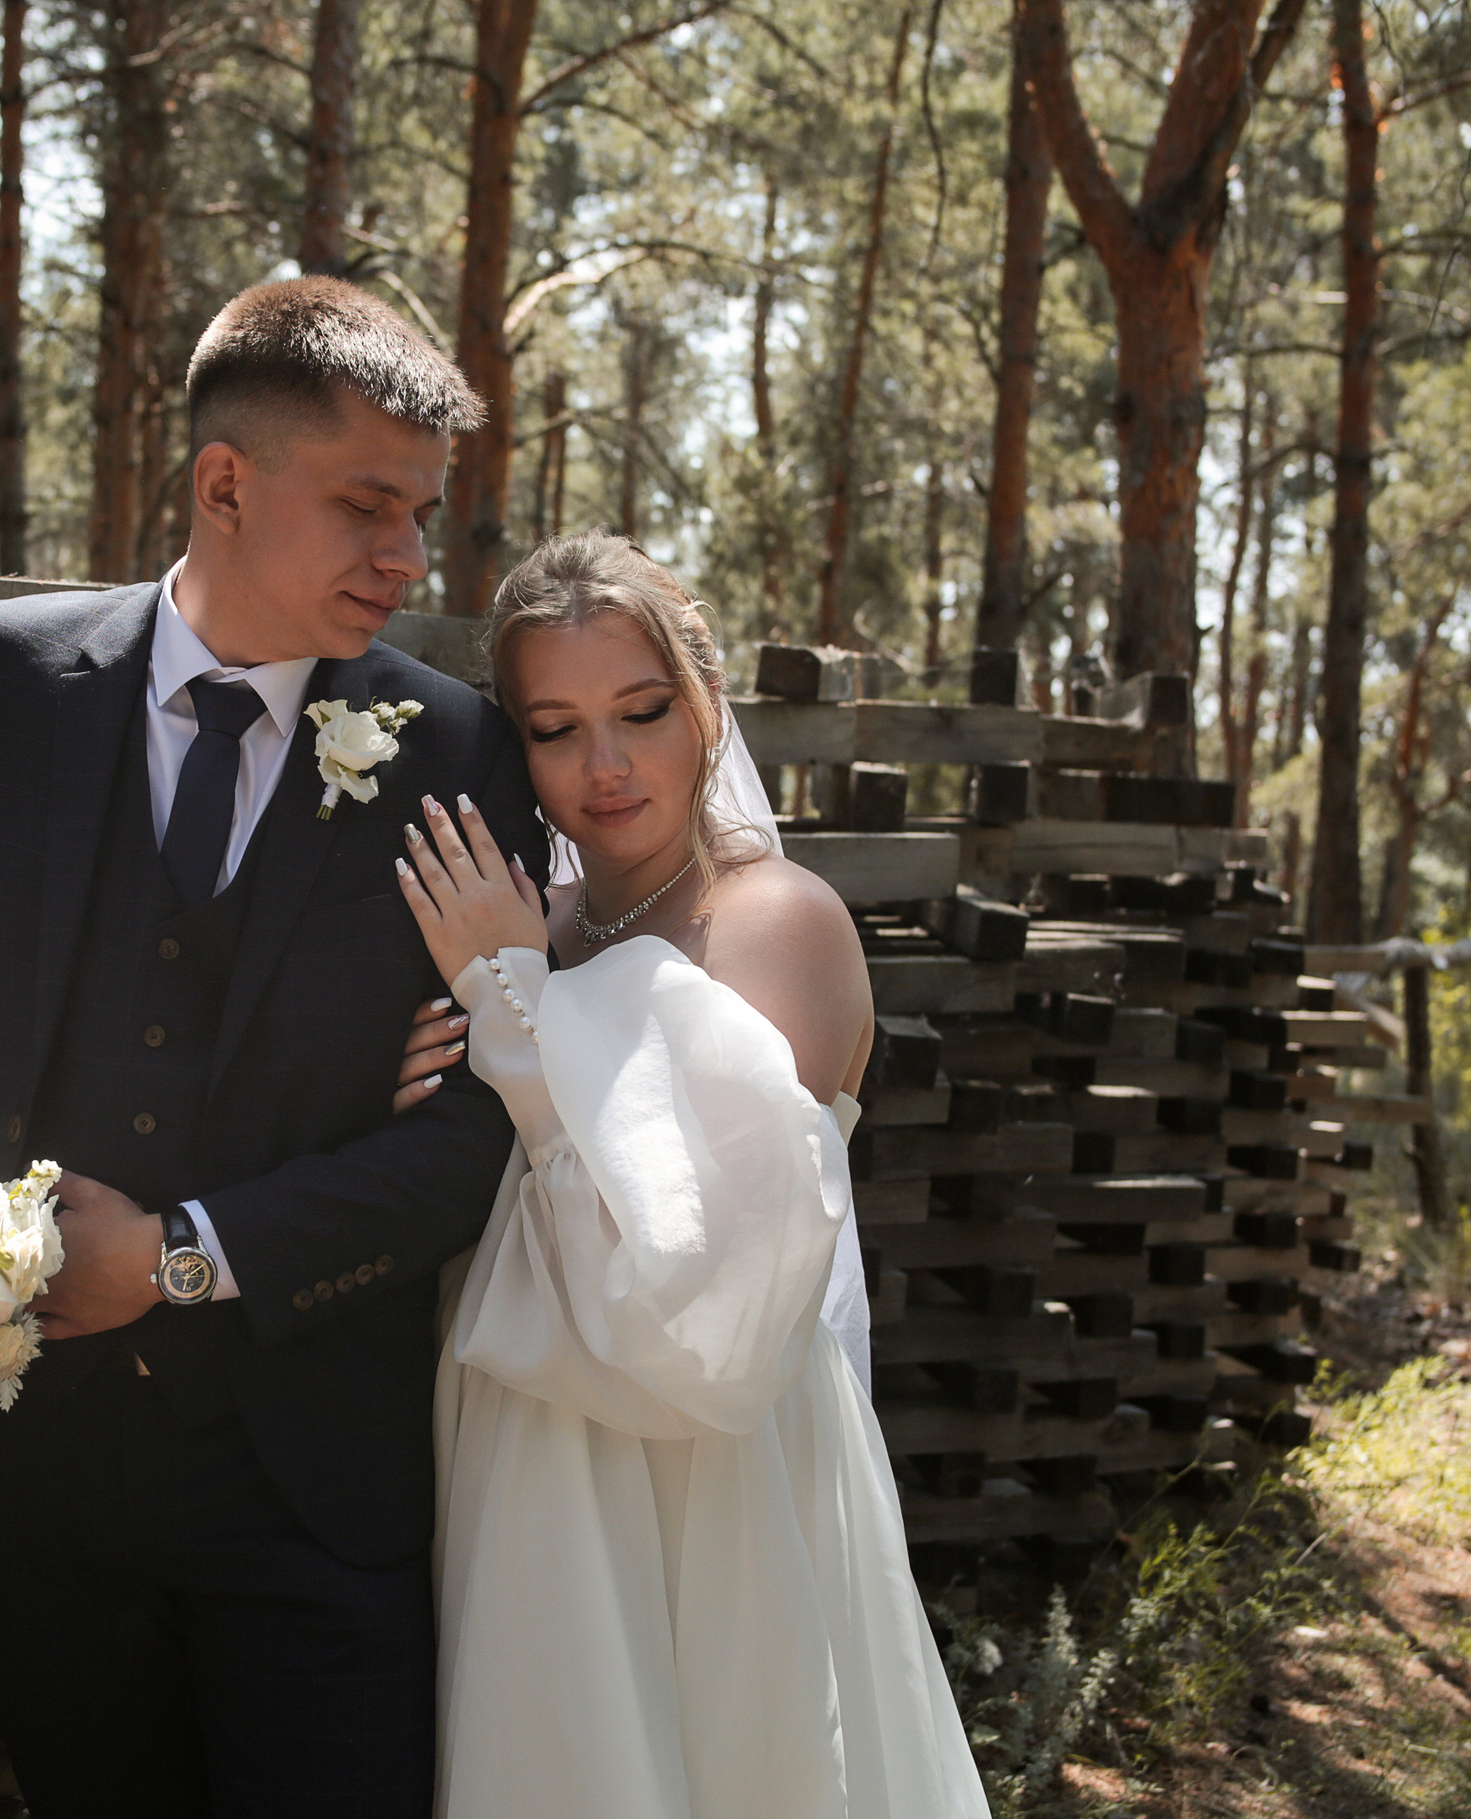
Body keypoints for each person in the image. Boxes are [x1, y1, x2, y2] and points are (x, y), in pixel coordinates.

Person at [0, 276, 549, 1819]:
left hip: (315, 1481)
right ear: (224, 484)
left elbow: (475, 1136)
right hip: (31, 1471)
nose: (411, 557)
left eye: (426, 513)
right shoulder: (1, 678)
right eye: (370, 504)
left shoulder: (456, 750)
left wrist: (188, 1254)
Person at [394, 532, 991, 1818]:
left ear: (707, 703)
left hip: (708, 1455)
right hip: (525, 1435)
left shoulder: (773, 918)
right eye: (554, 729)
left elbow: (701, 1273)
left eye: (642, 712)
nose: (604, 766)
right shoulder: (526, 927)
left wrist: (516, 1008)